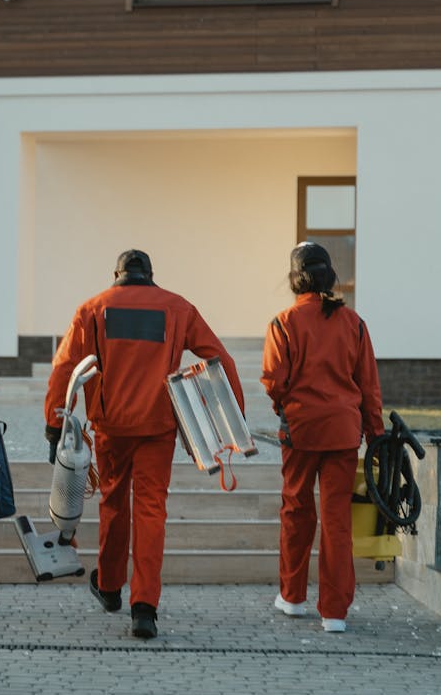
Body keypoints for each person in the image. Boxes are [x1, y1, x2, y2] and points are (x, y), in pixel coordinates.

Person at [44, 249, 245, 639]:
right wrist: (233, 420)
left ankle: (109, 586)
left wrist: (54, 423)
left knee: (114, 502)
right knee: (151, 509)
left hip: (111, 426)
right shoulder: (177, 307)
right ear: (151, 275)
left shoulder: (93, 308)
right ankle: (145, 607)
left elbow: (65, 366)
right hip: (158, 426)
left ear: (116, 274)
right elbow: (220, 358)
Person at [261, 242, 384, 633]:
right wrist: (376, 434)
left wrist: (286, 406)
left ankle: (293, 597)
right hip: (344, 433)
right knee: (336, 521)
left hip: (300, 431)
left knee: (296, 512)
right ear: (329, 276)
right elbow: (369, 387)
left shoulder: (282, 323)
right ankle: (334, 613)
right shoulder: (354, 323)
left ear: (295, 280)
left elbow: (273, 382)